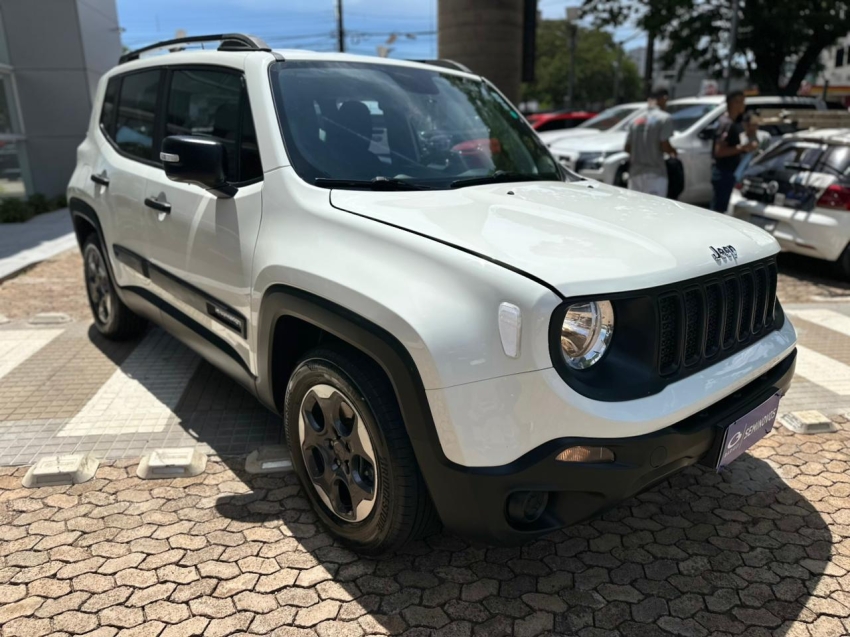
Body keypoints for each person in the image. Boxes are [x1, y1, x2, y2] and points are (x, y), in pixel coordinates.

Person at [711, 91, 759, 212]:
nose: (744, 105)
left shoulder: (735, 123)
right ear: (734, 103)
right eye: (742, 102)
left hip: (730, 172)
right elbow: (719, 151)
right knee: (718, 211)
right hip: (723, 172)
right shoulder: (726, 123)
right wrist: (743, 148)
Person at [625, 87, 677, 197]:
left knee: (634, 210)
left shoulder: (635, 120)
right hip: (655, 174)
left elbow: (627, 148)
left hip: (635, 174)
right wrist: (673, 152)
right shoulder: (664, 118)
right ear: (664, 98)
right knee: (654, 211)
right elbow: (664, 145)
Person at [734, 112, 771, 183]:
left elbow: (768, 154)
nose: (754, 127)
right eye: (751, 125)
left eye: (756, 124)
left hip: (760, 171)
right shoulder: (740, 138)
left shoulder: (764, 137)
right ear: (744, 125)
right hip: (743, 172)